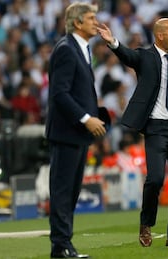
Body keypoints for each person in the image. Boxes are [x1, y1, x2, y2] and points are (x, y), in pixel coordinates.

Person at [98, 18, 168, 247]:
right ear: (160, 35)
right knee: (155, 179)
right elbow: (128, 56)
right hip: (157, 129)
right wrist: (112, 42)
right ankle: (146, 222)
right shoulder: (146, 57)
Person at [45, 3, 108, 258]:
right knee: (62, 191)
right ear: (78, 23)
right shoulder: (66, 49)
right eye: (91, 18)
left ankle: (63, 244)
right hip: (66, 132)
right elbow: (59, 93)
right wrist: (85, 118)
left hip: (76, 133)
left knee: (70, 191)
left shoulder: (80, 48)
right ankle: (61, 245)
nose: (96, 21)